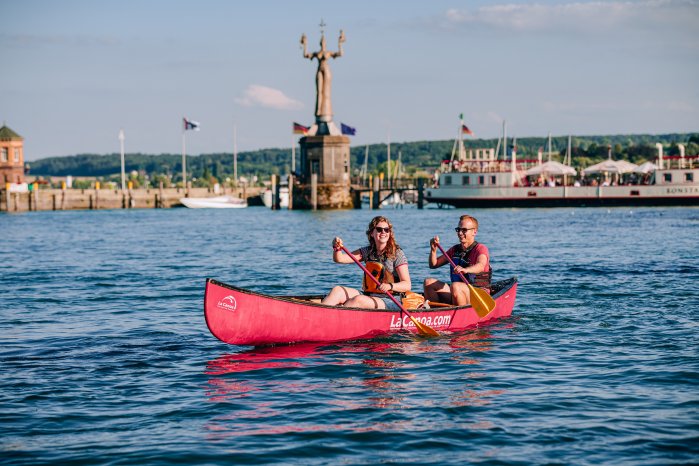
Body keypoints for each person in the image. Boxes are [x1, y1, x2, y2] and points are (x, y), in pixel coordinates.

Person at [321, 216, 411, 310]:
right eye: (379, 229)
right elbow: (339, 259)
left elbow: (407, 284)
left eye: (386, 230)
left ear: (390, 233)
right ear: (372, 233)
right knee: (337, 290)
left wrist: (390, 286)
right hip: (369, 295)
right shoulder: (368, 251)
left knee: (358, 300)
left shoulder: (397, 254)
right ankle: (320, 315)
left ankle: (335, 317)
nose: (383, 232)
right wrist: (337, 248)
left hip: (391, 300)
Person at [423, 215, 491, 306]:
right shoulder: (455, 250)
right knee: (428, 283)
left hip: (478, 295)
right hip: (457, 291)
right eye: (458, 230)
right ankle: (435, 313)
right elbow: (434, 264)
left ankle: (460, 315)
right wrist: (433, 250)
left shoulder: (481, 249)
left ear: (474, 232)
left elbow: (481, 266)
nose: (460, 233)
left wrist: (465, 270)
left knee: (455, 286)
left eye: (464, 230)